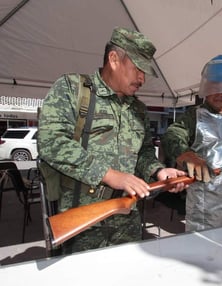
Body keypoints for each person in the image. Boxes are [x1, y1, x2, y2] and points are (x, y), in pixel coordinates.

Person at [37, 27, 187, 254]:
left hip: (127, 220)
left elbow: (144, 153)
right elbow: (51, 141)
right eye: (138, 68)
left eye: (145, 72)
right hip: (82, 221)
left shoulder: (138, 109)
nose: (142, 78)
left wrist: (159, 172)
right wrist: (110, 175)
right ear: (114, 59)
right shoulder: (72, 89)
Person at [161, 55, 222, 232]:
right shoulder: (194, 117)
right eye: (216, 86)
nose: (220, 93)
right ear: (207, 87)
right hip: (204, 212)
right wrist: (186, 154)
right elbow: (172, 135)